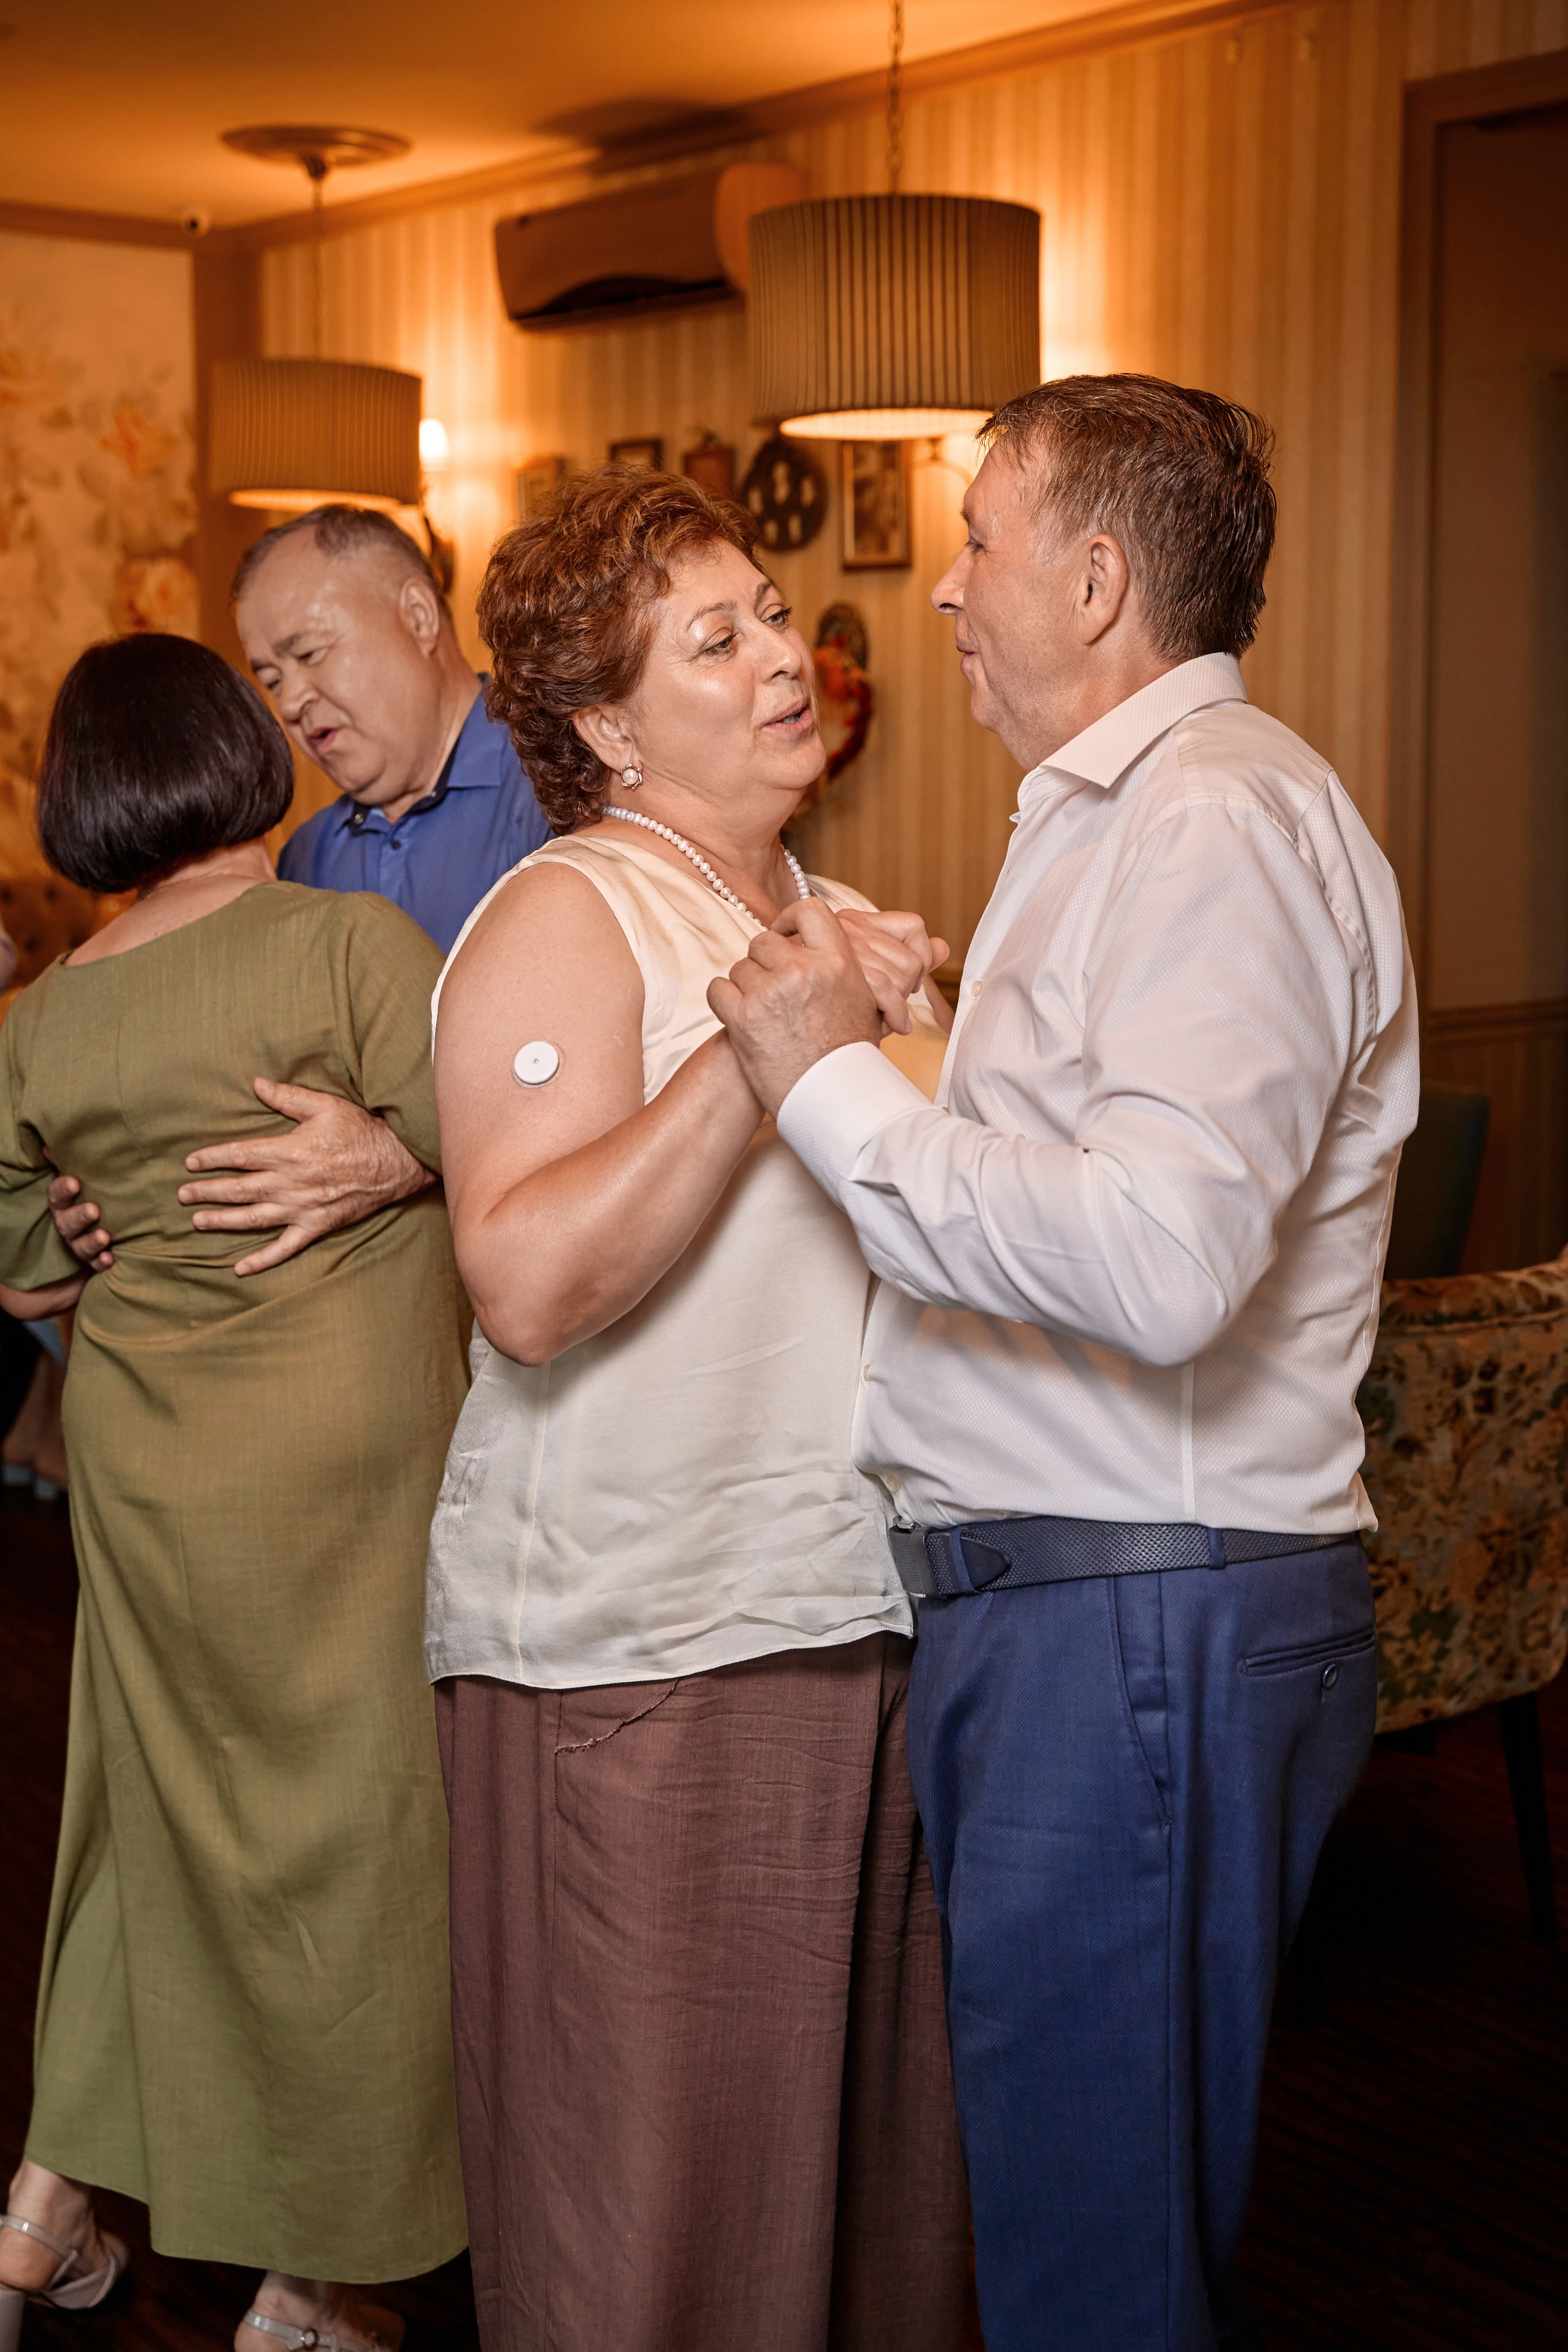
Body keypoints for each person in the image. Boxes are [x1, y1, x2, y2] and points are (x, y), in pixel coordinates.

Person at [709, 375, 1420, 2351]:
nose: (939, 595)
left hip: (1140, 1619)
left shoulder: (1215, 821)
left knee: (1095, 2283)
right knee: (1068, 2241)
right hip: (1092, 1620)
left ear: (1097, 579)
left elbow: (1163, 1251)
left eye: (978, 544)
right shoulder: (1131, 821)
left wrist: (829, 1090)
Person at [426, 466, 967, 2352]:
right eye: (711, 637)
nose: (778, 658)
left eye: (771, 612)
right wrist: (771, 1053)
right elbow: (525, 1278)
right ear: (600, 721)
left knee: (862, 2220)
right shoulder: (565, 910)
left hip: (854, 1603)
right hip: (644, 1646)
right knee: (661, 2240)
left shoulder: (823, 911)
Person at [0, 634, 468, 2352]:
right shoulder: (350, 941)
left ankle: (55, 2205)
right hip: (350, 1457)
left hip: (141, 1465)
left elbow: (23, 1262)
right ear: (239, 755)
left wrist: (85, 1230)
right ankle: (325, 2275)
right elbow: (494, 1157)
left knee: (164, 1827)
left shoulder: (44, 1017)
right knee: (354, 1852)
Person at [47, 503, 551, 1283]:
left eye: (311, 653)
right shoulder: (305, 854)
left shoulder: (560, 787)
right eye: (270, 676)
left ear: (418, 615)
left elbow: (616, 1054)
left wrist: (400, 1158)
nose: (288, 701)